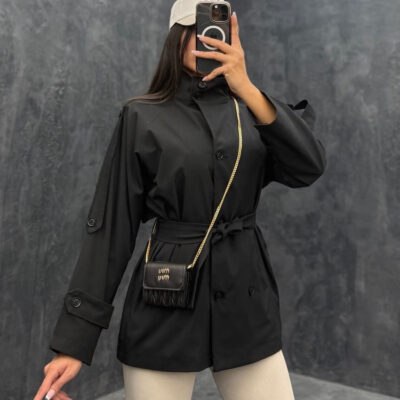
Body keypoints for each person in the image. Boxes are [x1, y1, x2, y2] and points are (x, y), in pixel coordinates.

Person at [34, 1, 327, 399]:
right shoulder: (142, 116)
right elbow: (111, 229)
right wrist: (73, 340)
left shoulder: (253, 110)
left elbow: (308, 167)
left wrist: (247, 88)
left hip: (246, 301)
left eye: (215, 30)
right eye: (196, 30)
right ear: (176, 37)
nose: (207, 39)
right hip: (165, 300)